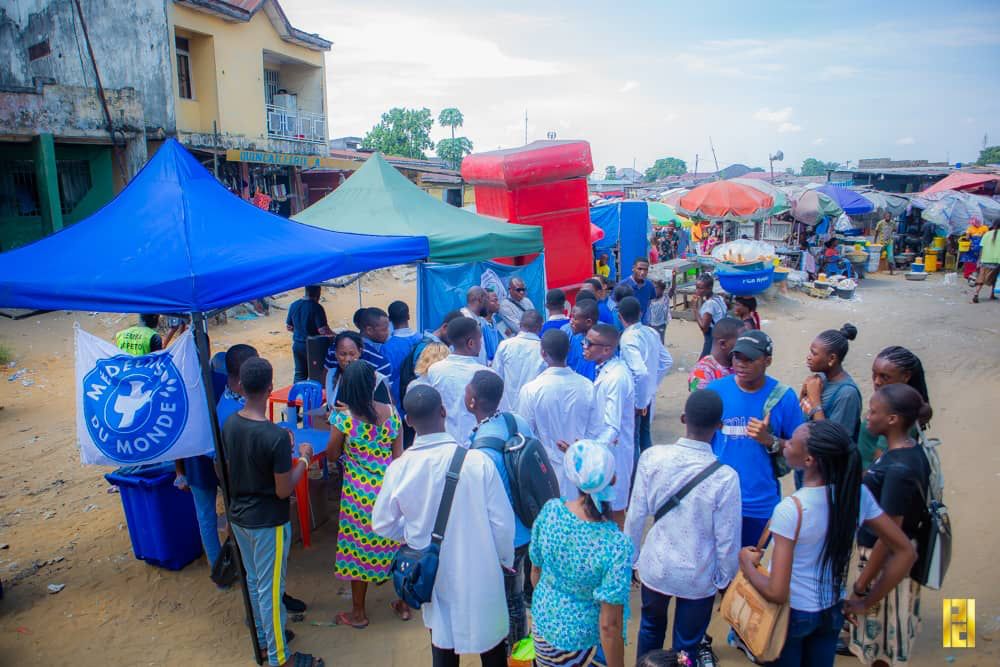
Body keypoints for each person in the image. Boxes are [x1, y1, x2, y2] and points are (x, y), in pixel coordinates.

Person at [737, 420, 917, 667]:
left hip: (792, 615)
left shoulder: (791, 509)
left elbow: (777, 592)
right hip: (832, 610)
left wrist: (745, 564)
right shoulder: (856, 495)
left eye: (791, 442)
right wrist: (865, 601)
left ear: (809, 460)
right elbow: (905, 551)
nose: (785, 445)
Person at [372, 385, 514, 667]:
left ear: (407, 421)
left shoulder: (399, 469)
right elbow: (502, 523)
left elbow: (381, 524)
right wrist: (503, 560)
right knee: (493, 649)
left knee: (443, 646)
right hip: (481, 571)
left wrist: (413, 533)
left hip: (433, 574)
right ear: (443, 412)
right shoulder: (477, 462)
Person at [221, 357, 324, 667]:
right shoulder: (275, 437)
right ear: (269, 388)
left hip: (240, 516)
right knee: (270, 589)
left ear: (240, 385)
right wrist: (303, 459)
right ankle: (281, 658)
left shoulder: (231, 424)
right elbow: (283, 490)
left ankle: (266, 642)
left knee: (255, 583)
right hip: (268, 521)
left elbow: (227, 467)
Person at [626, 390, 740, 664]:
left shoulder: (652, 458)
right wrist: (724, 579)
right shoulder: (725, 478)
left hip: (657, 565)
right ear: (719, 426)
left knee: (650, 629)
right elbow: (728, 540)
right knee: (687, 643)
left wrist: (631, 560)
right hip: (698, 575)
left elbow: (636, 515)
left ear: (683, 418)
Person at [848, 384, 933, 667]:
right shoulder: (910, 452)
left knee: (883, 646)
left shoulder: (898, 470)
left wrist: (862, 589)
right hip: (890, 560)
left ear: (893, 419)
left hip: (884, 565)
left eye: (873, 412)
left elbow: (890, 537)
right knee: (886, 638)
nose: (867, 417)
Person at [529, 440, 632, 667]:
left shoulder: (551, 511)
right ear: (613, 480)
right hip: (583, 646)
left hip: (542, 630)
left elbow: (536, 571)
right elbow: (609, 626)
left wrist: (553, 607)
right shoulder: (616, 545)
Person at [325, 361, 408, 628]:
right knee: (396, 545)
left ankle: (359, 614)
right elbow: (399, 458)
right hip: (388, 490)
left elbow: (332, 454)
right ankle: (404, 603)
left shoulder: (343, 418)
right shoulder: (392, 414)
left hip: (356, 496)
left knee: (356, 550)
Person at [707, 330, 803, 547]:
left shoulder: (784, 398)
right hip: (716, 500)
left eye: (749, 359)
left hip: (758, 505)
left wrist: (769, 440)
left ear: (767, 361)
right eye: (737, 357)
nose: (741, 363)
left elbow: (801, 451)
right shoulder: (715, 391)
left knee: (746, 572)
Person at [465, 371, 535, 653]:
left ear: (472, 402)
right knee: (519, 594)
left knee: (511, 599)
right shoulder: (515, 421)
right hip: (530, 522)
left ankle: (515, 653)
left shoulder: (479, 449)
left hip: (507, 536)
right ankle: (521, 650)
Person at [175, 343, 257, 572]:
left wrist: (179, 470)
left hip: (205, 457)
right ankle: (230, 566)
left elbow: (178, 432)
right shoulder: (218, 381)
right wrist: (180, 471)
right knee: (222, 514)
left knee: (209, 516)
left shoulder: (182, 384)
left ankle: (221, 567)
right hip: (210, 459)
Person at [517, 330, 595, 499]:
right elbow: (595, 431)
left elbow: (525, 435)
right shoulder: (588, 387)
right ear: (569, 351)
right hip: (582, 468)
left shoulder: (531, 390)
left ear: (543, 353)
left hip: (545, 471)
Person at [583, 323, 635, 525]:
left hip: (614, 452)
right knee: (601, 509)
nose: (584, 347)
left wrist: (587, 449)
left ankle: (622, 554)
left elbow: (612, 427)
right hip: (605, 451)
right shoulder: (604, 369)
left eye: (589, 343)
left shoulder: (617, 377)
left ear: (607, 349)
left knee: (615, 511)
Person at [857, 346, 932, 470]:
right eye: (874, 374)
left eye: (884, 377)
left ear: (906, 376)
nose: (876, 381)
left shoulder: (898, 415)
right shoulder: (893, 406)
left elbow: (879, 463)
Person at [426, 316, 495, 444]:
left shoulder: (434, 370)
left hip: (446, 442)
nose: (481, 344)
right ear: (471, 343)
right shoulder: (486, 374)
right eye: (480, 339)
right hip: (477, 443)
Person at [618, 296, 673, 457]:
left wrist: (640, 402)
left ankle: (636, 478)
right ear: (640, 313)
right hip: (647, 395)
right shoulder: (651, 332)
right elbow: (666, 361)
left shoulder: (628, 338)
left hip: (636, 399)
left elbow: (640, 372)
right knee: (644, 437)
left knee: (633, 441)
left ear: (620, 316)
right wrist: (652, 385)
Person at [800, 325, 862, 442]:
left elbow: (833, 442)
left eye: (814, 354)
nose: (809, 357)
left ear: (832, 359)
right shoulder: (820, 378)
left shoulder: (847, 394)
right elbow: (802, 414)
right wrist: (804, 393)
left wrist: (815, 400)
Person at [491, 310, 546, 410]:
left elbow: (496, 375)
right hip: (533, 409)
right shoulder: (544, 350)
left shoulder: (505, 345)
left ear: (520, 325)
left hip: (506, 409)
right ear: (540, 327)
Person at [323, 331, 391, 410]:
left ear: (360, 352)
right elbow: (330, 407)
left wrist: (353, 412)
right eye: (342, 354)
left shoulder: (375, 380)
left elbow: (386, 412)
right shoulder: (331, 375)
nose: (347, 359)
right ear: (336, 354)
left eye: (352, 354)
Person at [285, 286, 333, 382]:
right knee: (317, 374)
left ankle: (298, 396)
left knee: (299, 374)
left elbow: (289, 327)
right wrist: (335, 336)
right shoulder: (316, 307)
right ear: (318, 292)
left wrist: (300, 331)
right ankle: (315, 396)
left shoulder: (294, 305)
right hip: (313, 347)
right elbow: (323, 331)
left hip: (297, 345)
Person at [382, 301, 423, 409]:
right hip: (421, 397)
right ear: (408, 316)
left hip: (399, 401)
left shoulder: (387, 348)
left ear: (389, 319)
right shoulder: (422, 340)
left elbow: (386, 379)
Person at [688, 317, 744, 392]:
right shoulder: (701, 372)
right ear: (723, 344)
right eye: (741, 342)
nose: (746, 346)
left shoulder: (739, 364)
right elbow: (698, 400)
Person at [565, 297, 600, 380]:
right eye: (571, 317)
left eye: (575, 318)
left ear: (588, 322)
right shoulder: (576, 339)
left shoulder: (599, 344)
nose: (571, 321)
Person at [358, 307, 393, 386]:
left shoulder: (336, 349)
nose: (388, 332)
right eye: (384, 329)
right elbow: (386, 393)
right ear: (369, 330)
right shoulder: (380, 362)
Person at [695, 274, 727, 359]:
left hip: (712, 337)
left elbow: (704, 328)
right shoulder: (719, 298)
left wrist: (695, 309)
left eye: (701, 288)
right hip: (721, 333)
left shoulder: (710, 304)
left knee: (702, 365)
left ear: (709, 288)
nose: (697, 291)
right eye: (697, 287)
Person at [972, 219, 1000, 303]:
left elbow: (981, 248)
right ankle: (992, 294)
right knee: (995, 277)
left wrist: (979, 260)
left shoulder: (987, 234)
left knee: (981, 278)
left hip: (985, 259)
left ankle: (976, 294)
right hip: (997, 260)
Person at [621, 258, 656, 324]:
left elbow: (650, 302)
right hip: (627, 325)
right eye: (640, 269)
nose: (642, 272)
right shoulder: (623, 285)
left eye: (645, 269)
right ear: (633, 268)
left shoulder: (649, 285)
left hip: (644, 324)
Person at [482, 290, 504, 360]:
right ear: (484, 303)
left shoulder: (493, 321)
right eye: (495, 300)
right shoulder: (480, 324)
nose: (498, 303)